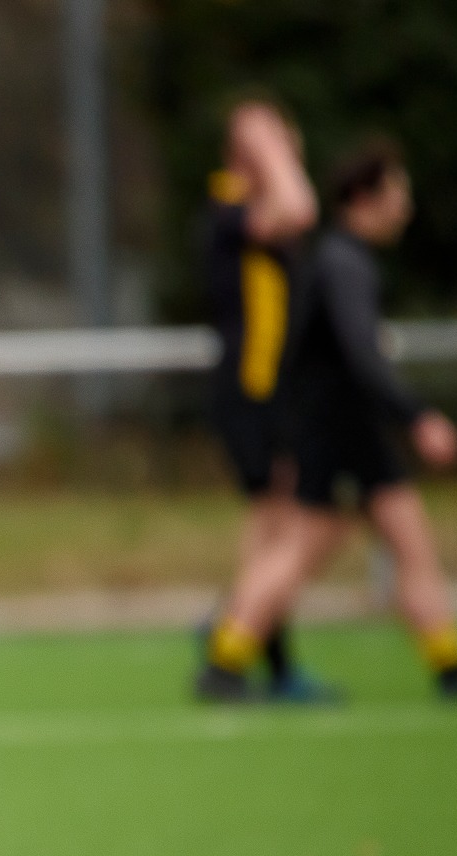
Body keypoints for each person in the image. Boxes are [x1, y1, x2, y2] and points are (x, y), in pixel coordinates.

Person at [197, 139, 457, 702]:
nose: (406, 207)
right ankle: (225, 660)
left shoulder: (345, 260)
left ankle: (451, 665)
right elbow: (360, 354)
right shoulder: (343, 263)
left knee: (403, 538)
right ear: (366, 198)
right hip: (336, 430)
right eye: (398, 194)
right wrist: (418, 416)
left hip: (346, 428)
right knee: (307, 546)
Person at [196, 98, 336, 702]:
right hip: (250, 395)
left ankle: (256, 651)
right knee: (285, 530)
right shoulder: (229, 206)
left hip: (271, 395)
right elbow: (300, 207)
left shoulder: (249, 205)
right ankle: (234, 646)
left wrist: (274, 144)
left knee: (270, 533)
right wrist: (266, 142)